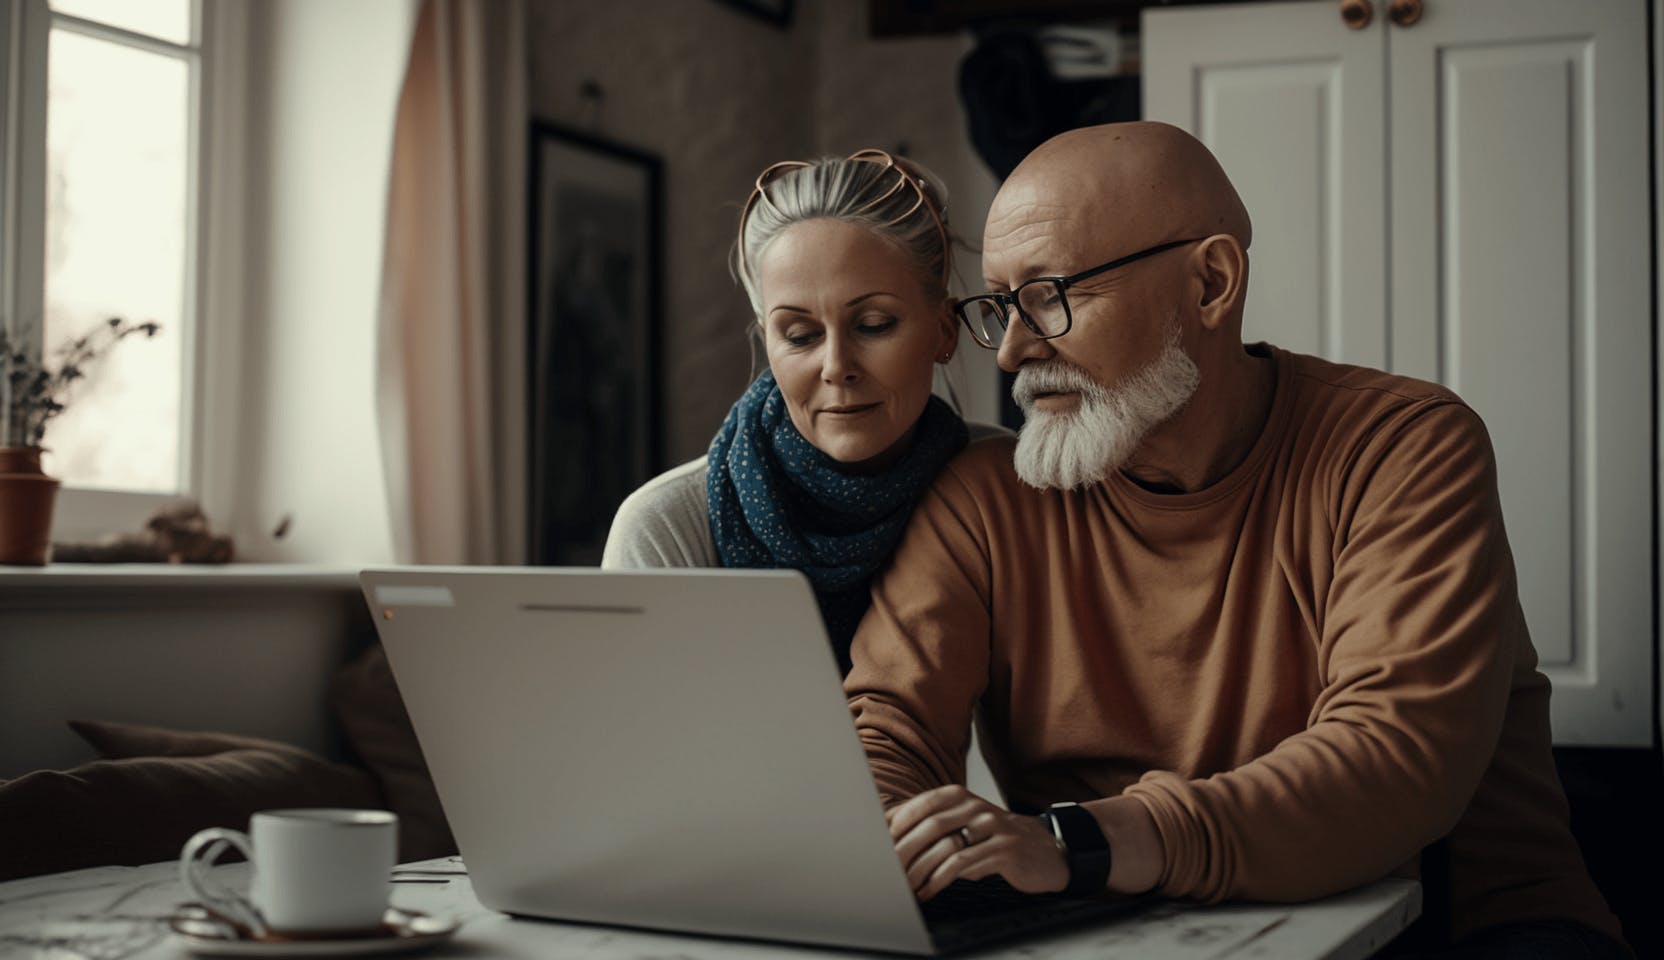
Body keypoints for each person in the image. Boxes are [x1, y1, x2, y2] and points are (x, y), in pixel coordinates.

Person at [844, 122, 1630, 958]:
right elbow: (884, 734)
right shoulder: (984, 501)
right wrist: (899, 846)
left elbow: (1392, 759)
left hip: (1452, 927)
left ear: (1211, 283)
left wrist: (1080, 843)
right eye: (999, 306)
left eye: (1050, 296)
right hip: (1123, 929)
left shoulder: (1403, 448)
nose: (1013, 352)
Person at [602, 149, 1007, 675]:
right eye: (800, 335)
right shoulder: (667, 527)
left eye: (875, 324)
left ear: (944, 331)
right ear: (767, 341)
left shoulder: (1006, 489)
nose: (836, 366)